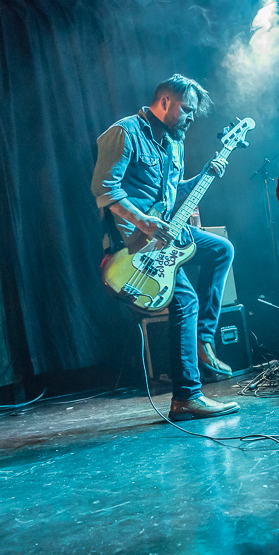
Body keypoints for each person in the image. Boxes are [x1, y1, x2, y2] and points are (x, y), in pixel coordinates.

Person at [91, 74, 240, 421]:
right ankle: (187, 396)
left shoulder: (174, 142)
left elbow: (171, 196)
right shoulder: (123, 132)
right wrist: (143, 221)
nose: (190, 118)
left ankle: (204, 341)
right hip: (135, 243)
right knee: (185, 300)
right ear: (164, 102)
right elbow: (105, 190)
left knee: (222, 249)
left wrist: (203, 175)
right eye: (187, 110)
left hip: (166, 232)